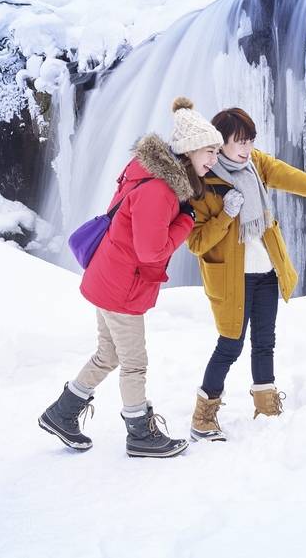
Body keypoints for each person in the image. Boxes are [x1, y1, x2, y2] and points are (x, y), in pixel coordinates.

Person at [38, 97, 224, 458]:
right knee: (134, 362)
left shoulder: (147, 170)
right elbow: (151, 251)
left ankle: (62, 413)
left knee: (108, 354)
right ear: (188, 151)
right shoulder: (159, 190)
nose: (214, 159)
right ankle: (140, 433)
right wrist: (187, 219)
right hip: (122, 284)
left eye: (217, 151)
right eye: (209, 151)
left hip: (109, 275)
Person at [186, 106, 306, 442]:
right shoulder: (203, 183)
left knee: (265, 344)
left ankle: (267, 407)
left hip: (266, 272)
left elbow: (293, 177)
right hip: (231, 280)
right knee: (229, 346)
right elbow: (197, 242)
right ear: (220, 143)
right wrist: (227, 215)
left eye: (250, 140)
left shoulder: (256, 165)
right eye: (239, 141)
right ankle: (204, 415)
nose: (247, 147)